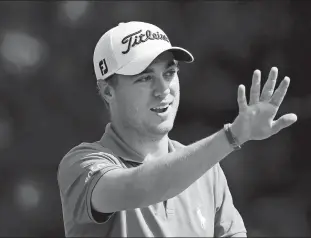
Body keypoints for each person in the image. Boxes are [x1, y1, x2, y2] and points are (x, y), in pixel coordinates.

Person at [57, 21, 297, 237]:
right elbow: (140, 188)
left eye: (169, 73)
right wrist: (231, 136)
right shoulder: (81, 164)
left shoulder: (207, 169)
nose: (163, 89)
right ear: (108, 91)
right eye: (144, 78)